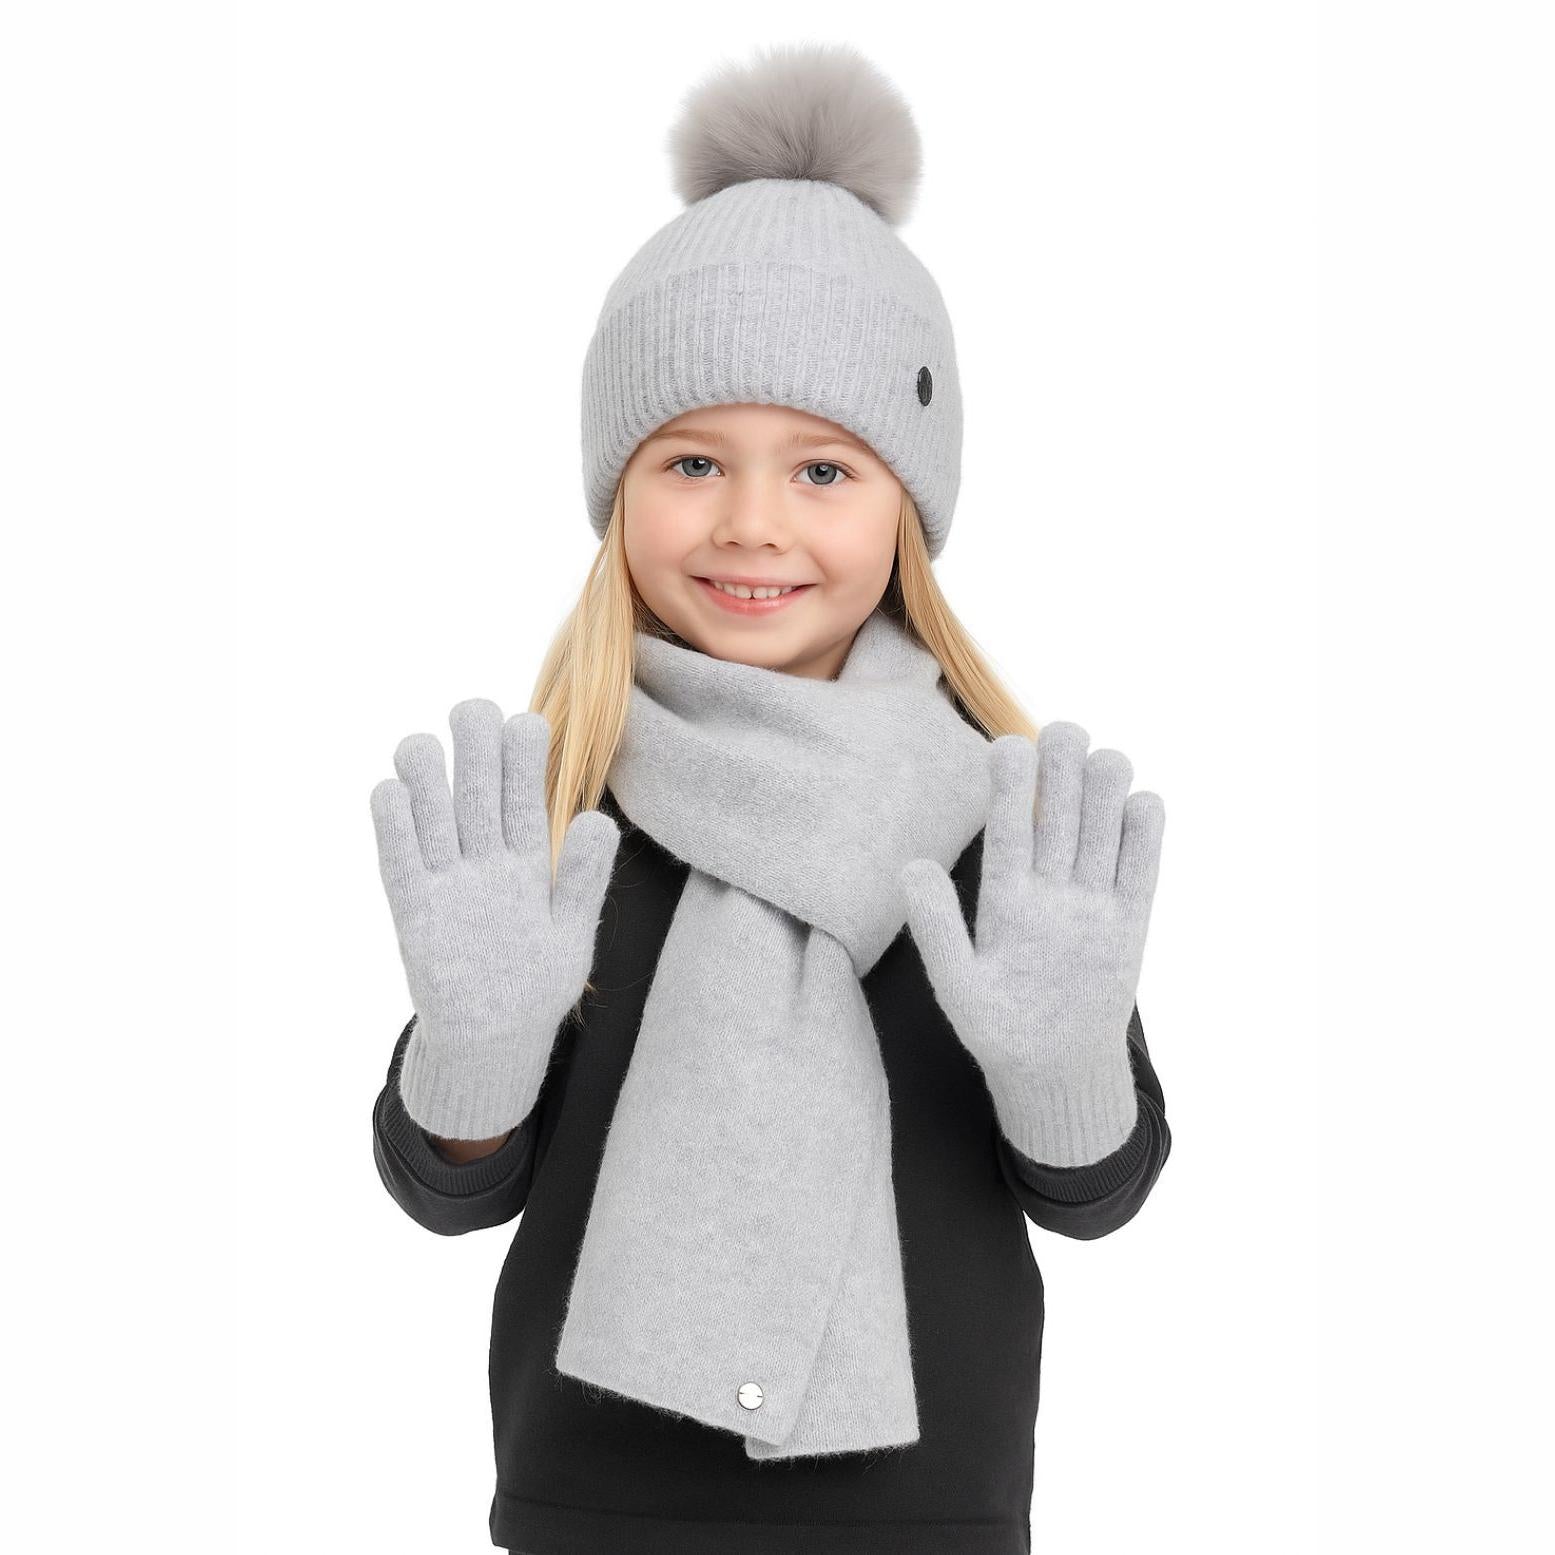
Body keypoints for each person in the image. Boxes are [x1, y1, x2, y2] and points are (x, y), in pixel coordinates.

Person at [369, 41, 1172, 1555]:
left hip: (928, 1513)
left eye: (822, 469)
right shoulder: (557, 805)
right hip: (587, 1510)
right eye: (691, 460)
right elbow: (449, 1193)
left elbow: (1094, 1195)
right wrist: (473, 1057)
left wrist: (1063, 1064)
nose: (751, 525)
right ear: (618, 494)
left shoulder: (1005, 825)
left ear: (908, 509)